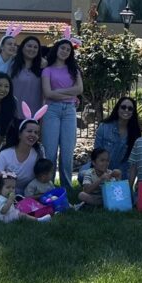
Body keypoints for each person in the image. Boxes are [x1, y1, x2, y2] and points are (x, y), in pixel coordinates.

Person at [41, 37, 84, 187]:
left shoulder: (74, 70)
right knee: (50, 151)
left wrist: (58, 91)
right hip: (51, 111)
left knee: (67, 151)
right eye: (62, 48)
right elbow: (47, 93)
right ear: (56, 49)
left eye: (68, 49)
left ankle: (67, 185)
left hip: (69, 112)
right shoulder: (47, 70)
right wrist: (70, 95)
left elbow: (79, 89)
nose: (65, 51)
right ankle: (48, 184)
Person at [0, 117, 44, 216]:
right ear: (19, 134)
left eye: (36, 133)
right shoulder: (6, 154)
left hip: (16, 195)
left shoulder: (38, 154)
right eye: (29, 131)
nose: (33, 135)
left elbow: (42, 179)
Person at [85, 96, 141, 176]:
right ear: (118, 109)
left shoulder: (135, 133)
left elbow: (132, 161)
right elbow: (97, 152)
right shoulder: (104, 127)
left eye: (130, 108)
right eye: (123, 107)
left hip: (121, 171)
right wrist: (102, 171)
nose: (126, 110)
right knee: (82, 174)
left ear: (133, 112)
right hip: (100, 166)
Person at [9, 35, 45, 120]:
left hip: (35, 116)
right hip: (13, 114)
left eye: (35, 47)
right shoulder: (12, 65)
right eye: (29, 46)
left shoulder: (43, 67)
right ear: (22, 47)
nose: (32, 49)